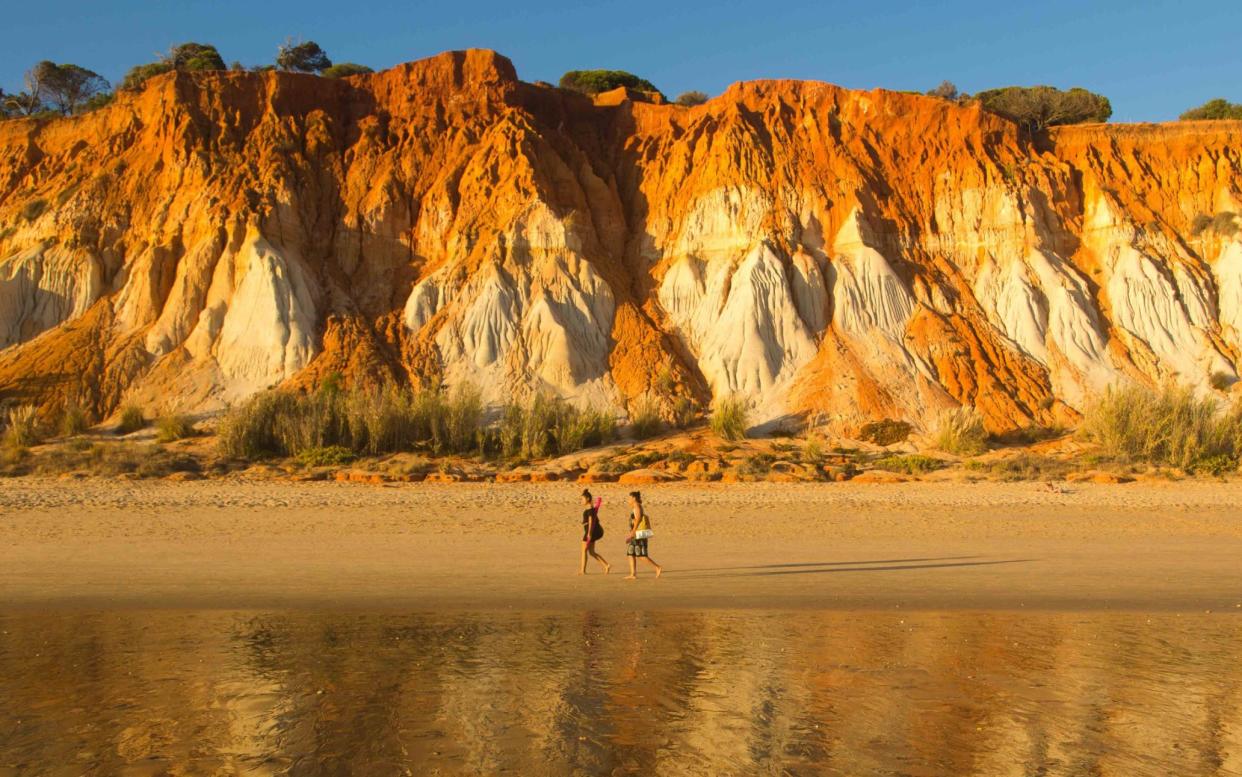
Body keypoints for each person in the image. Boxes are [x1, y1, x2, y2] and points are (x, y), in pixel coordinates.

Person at [625, 490, 662, 580]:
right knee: (631, 553)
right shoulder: (635, 506)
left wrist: (633, 532)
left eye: (629, 498)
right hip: (636, 533)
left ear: (634, 498)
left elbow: (637, 520)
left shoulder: (637, 506)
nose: (628, 499)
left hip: (638, 534)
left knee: (641, 556)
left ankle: (657, 567)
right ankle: (633, 574)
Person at [579, 489, 610, 575]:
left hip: (591, 532)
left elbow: (591, 521)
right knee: (591, 552)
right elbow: (590, 520)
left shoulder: (589, 510)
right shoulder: (591, 510)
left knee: (583, 551)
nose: (581, 501)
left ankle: (582, 571)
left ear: (588, 499)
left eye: (582, 499)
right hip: (594, 531)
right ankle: (606, 565)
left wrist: (589, 534)